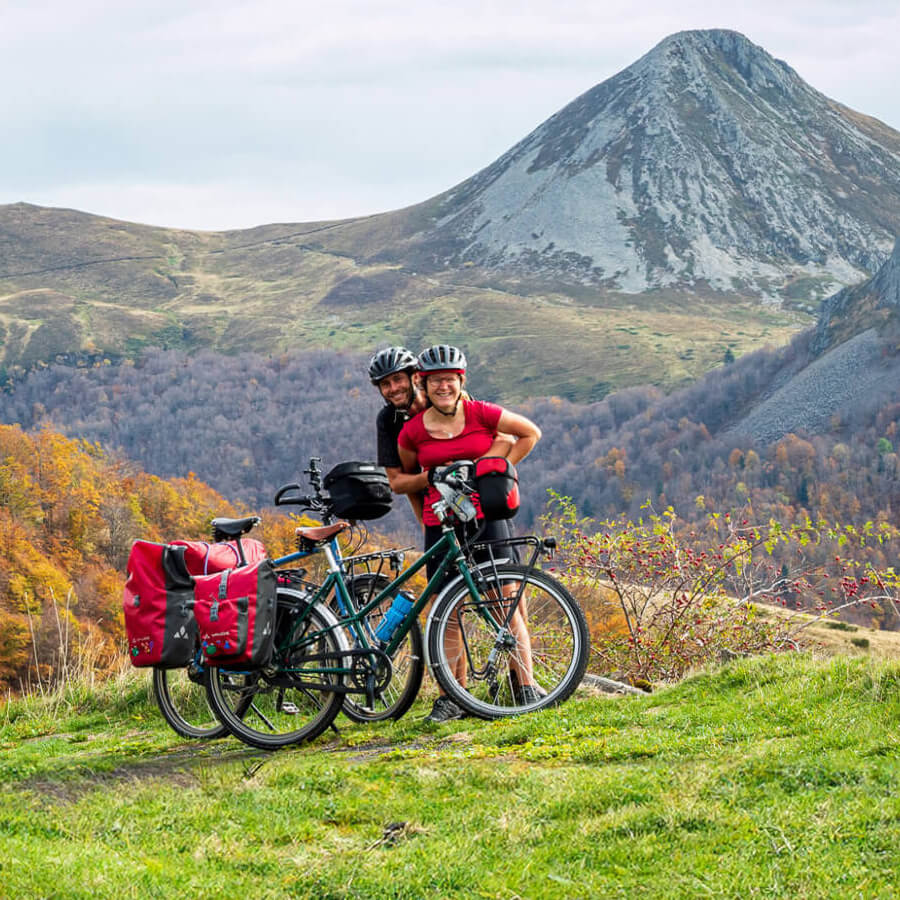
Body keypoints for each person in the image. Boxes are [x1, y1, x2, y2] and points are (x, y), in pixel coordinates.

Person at [397, 344, 543, 722]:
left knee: (503, 601)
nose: (443, 386)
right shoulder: (412, 432)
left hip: (485, 519)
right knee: (446, 610)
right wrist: (427, 499)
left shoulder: (482, 413)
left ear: (461, 381)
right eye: (435, 381)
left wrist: (491, 471)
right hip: (441, 525)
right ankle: (451, 698)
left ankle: (525, 686)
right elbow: (407, 481)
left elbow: (529, 434)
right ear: (423, 385)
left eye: (450, 380)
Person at [369, 346, 429, 522]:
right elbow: (399, 481)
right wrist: (423, 523)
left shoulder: (441, 400)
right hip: (432, 502)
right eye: (385, 384)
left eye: (398, 379)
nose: (393, 388)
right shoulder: (388, 421)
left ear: (415, 377)